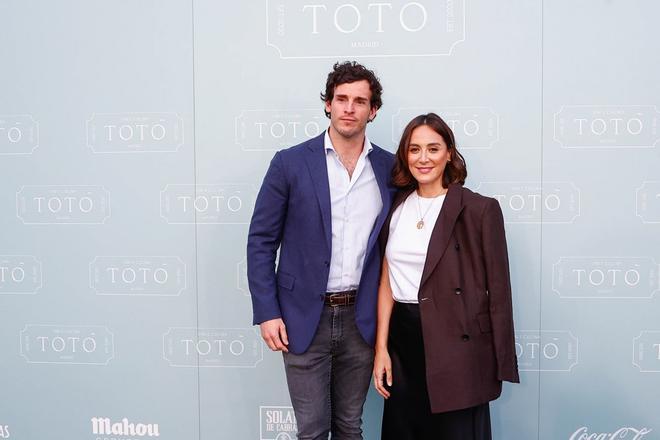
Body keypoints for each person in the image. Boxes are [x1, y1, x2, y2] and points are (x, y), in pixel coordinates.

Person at [247, 61, 396, 439]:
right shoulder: (290, 163)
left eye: (359, 101)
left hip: (361, 319)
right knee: (312, 430)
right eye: (341, 99)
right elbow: (261, 241)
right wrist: (268, 311)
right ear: (328, 104)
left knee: (350, 426)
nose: (349, 108)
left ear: (373, 110)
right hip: (301, 317)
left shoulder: (390, 169)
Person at [372, 113, 519, 440]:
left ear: (449, 153)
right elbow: (386, 283)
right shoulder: (396, 207)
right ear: (405, 155)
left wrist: (499, 362)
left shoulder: (479, 209)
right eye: (414, 150)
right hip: (403, 342)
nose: (423, 158)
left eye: (433, 149)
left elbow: (499, 292)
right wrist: (381, 348)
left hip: (457, 343)